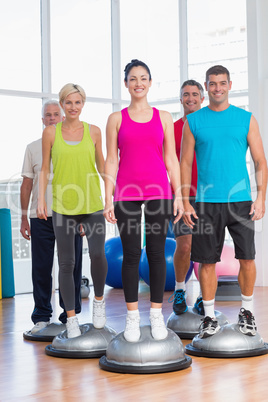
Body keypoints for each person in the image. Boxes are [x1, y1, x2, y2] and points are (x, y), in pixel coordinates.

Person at [181, 65, 267, 338]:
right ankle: (208, 317)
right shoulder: (193, 121)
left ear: (230, 85)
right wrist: (185, 201)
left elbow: (260, 160)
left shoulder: (246, 119)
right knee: (207, 262)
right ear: (207, 88)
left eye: (222, 83)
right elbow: (184, 164)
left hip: (240, 201)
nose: (217, 88)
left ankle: (247, 312)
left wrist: (261, 196)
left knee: (247, 258)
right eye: (213, 84)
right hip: (206, 203)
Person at [104, 59, 184, 342]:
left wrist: (178, 196)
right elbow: (112, 161)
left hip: (159, 192)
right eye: (133, 78)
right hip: (125, 192)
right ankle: (132, 318)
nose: (138, 83)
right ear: (126, 84)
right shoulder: (116, 119)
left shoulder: (163, 117)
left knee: (155, 253)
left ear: (150, 83)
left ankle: (156, 316)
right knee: (130, 255)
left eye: (143, 78)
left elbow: (171, 160)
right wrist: (108, 198)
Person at [37, 84, 108, 338]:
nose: (73, 107)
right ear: (61, 104)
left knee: (98, 255)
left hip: (92, 205)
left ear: (83, 104)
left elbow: (103, 168)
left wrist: (112, 196)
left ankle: (98, 302)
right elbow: (44, 168)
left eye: (77, 102)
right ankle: (71, 318)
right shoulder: (51, 133)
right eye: (68, 102)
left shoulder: (94, 132)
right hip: (63, 207)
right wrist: (40, 200)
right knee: (67, 263)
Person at [20, 100, 83, 333]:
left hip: (72, 215)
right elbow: (26, 185)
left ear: (63, 116)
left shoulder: (74, 144)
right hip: (41, 216)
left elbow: (84, 180)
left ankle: (71, 316)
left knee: (72, 266)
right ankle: (42, 316)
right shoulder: (33, 147)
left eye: (57, 114)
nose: (53, 118)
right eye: (48, 115)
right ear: (42, 119)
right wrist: (24, 218)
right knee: (41, 267)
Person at [168, 80, 205, 316]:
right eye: (185, 95)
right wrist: (177, 196)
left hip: (210, 196)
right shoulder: (171, 129)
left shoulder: (210, 125)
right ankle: (180, 289)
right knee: (185, 246)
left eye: (194, 94)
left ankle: (204, 296)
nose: (190, 98)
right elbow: (168, 163)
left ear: (202, 98)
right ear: (180, 99)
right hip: (183, 196)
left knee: (207, 251)